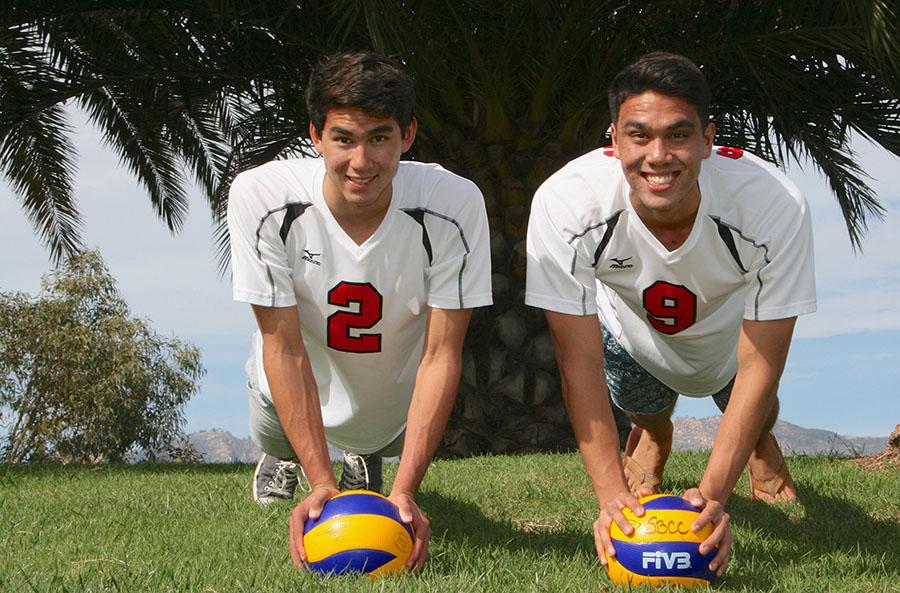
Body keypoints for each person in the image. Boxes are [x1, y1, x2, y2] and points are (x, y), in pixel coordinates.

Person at [525, 52, 816, 576]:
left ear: (708, 140)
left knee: (755, 403)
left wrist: (711, 500)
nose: (658, 156)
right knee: (641, 404)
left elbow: (761, 365)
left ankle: (761, 444)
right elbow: (579, 364)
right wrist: (612, 500)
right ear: (612, 140)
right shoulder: (567, 205)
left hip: (731, 335)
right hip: (635, 332)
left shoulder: (773, 205)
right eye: (639, 136)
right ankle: (656, 433)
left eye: (678, 136)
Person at [227, 51, 492, 571]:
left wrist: (407, 491)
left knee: (378, 439)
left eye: (379, 138)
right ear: (315, 136)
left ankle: (362, 456)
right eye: (344, 139)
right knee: (273, 426)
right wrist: (320, 484)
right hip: (298, 378)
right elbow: (283, 344)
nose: (361, 162)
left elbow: (441, 355)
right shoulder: (262, 197)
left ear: (408, 136)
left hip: (393, 396)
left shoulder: (452, 205)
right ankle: (287, 459)